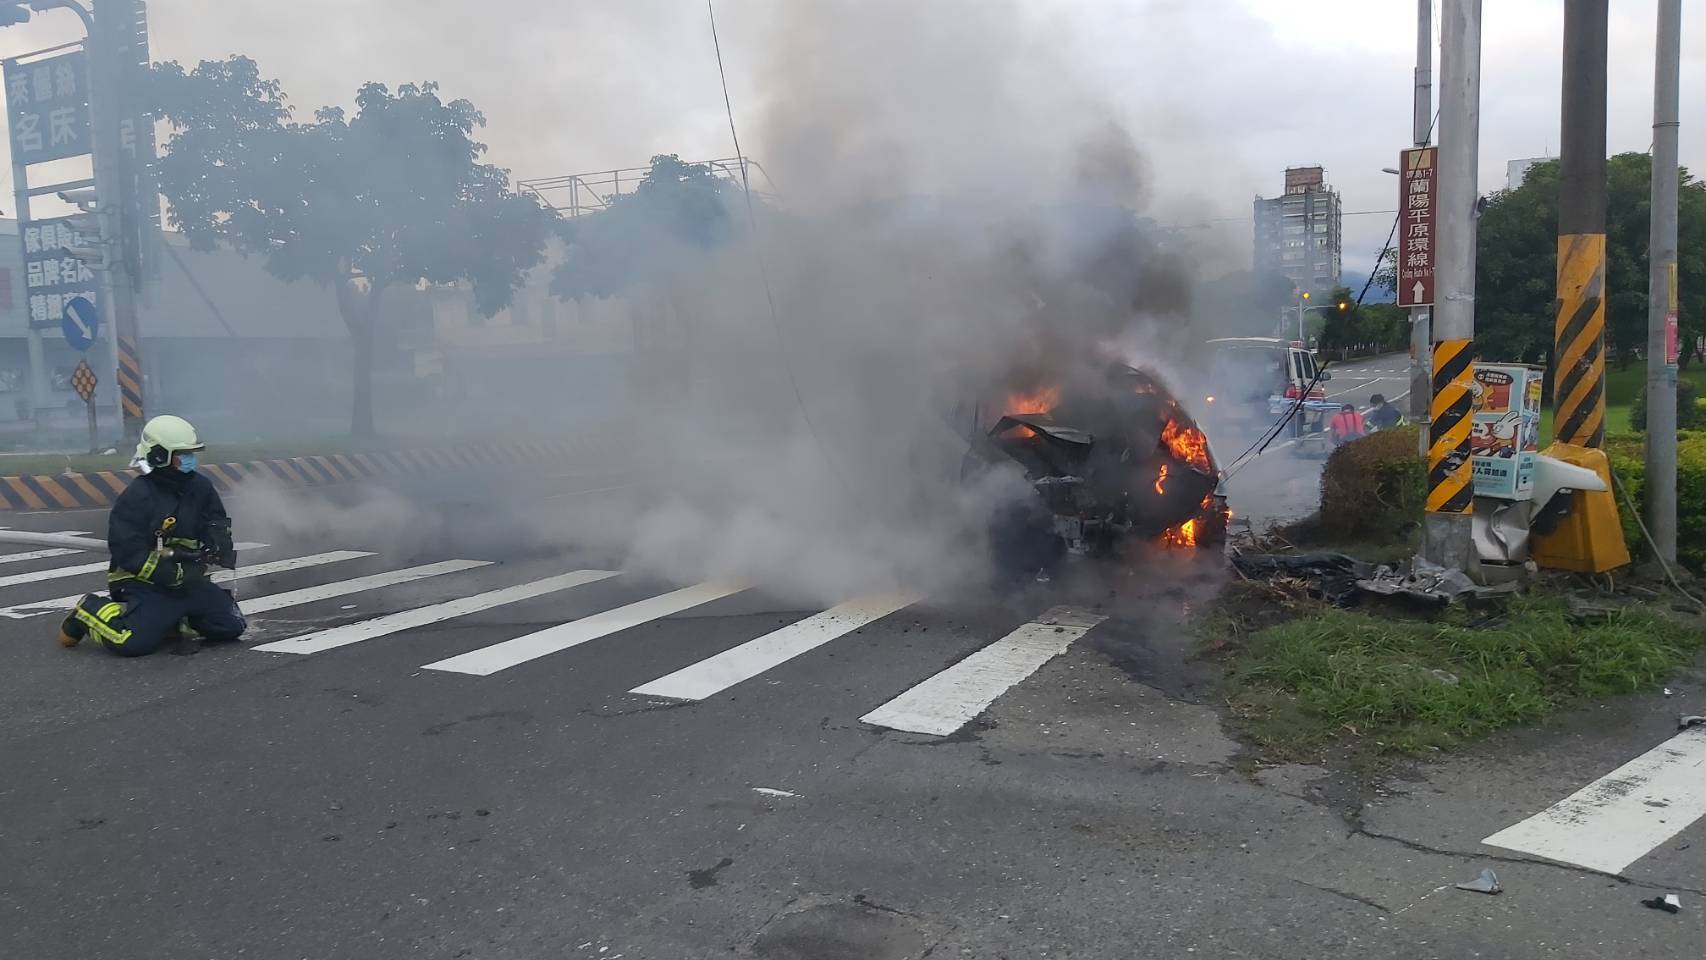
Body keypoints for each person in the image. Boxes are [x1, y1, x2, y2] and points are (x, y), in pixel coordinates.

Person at [57, 415, 246, 656]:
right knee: (132, 642)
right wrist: (169, 573)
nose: (190, 460)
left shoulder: (201, 488)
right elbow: (126, 550)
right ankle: (87, 611)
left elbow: (216, 520)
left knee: (230, 626)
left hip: (187, 580)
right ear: (160, 456)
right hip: (144, 583)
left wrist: (219, 541)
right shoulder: (138, 495)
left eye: (191, 454)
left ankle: (169, 621)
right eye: (182, 454)